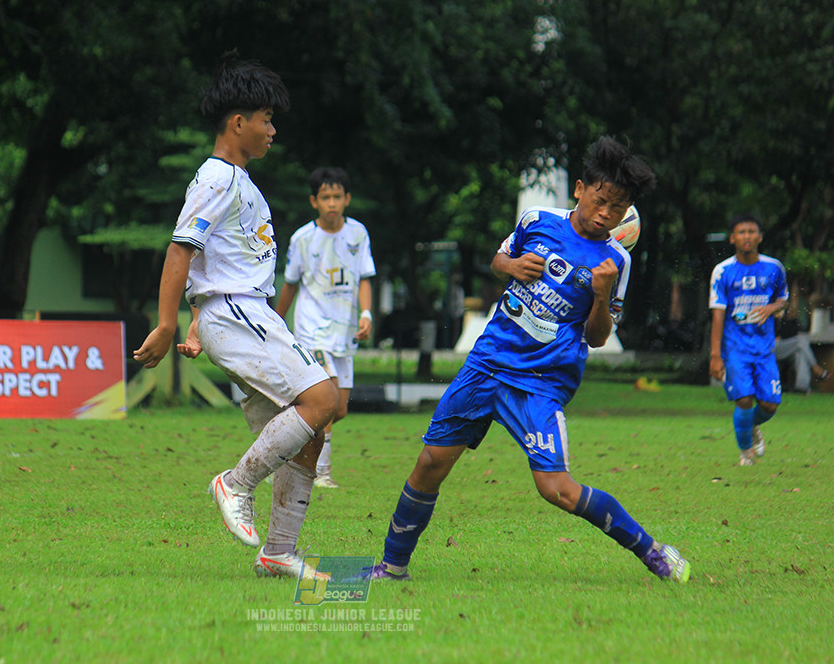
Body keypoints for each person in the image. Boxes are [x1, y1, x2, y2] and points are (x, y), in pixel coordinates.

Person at [362, 136, 690, 584]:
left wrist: (601, 295)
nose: (605, 215)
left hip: (541, 380)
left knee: (555, 489)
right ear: (580, 188)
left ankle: (652, 550)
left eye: (618, 208)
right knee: (430, 463)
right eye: (601, 200)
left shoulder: (616, 262)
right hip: (488, 363)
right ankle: (392, 567)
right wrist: (511, 268)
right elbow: (502, 258)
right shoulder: (537, 220)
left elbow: (597, 337)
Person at [132, 54, 338, 579]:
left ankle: (278, 553)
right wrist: (168, 323)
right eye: (266, 119)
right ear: (237, 123)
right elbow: (181, 250)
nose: (273, 130)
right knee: (323, 399)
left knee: (311, 429)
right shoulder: (218, 178)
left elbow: (214, 262)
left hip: (242, 314)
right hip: (239, 315)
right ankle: (235, 483)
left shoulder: (237, 180)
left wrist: (199, 321)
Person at [274, 167, 376, 489]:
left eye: (336, 196)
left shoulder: (358, 234)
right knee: (327, 402)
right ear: (314, 201)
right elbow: (290, 285)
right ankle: (320, 473)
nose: (331, 203)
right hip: (312, 329)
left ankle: (280, 447)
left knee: (339, 409)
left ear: (347, 199)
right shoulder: (303, 239)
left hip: (344, 332)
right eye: (325, 197)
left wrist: (367, 314)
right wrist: (275, 323)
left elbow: (364, 279)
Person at [709, 214, 789, 466]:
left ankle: (751, 426)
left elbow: (783, 299)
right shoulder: (723, 271)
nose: (747, 236)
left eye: (752, 231)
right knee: (743, 399)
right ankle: (746, 453)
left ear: (760, 237)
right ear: (733, 238)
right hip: (735, 348)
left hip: (764, 349)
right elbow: (718, 315)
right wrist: (715, 355)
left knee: (769, 404)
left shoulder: (774, 268)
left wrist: (771, 308)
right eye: (741, 232)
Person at [773, 312, 830, 393]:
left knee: (800, 354)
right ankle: (816, 369)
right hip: (769, 349)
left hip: (784, 348)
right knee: (801, 341)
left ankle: (802, 387)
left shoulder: (790, 321)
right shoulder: (770, 316)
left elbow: (791, 334)